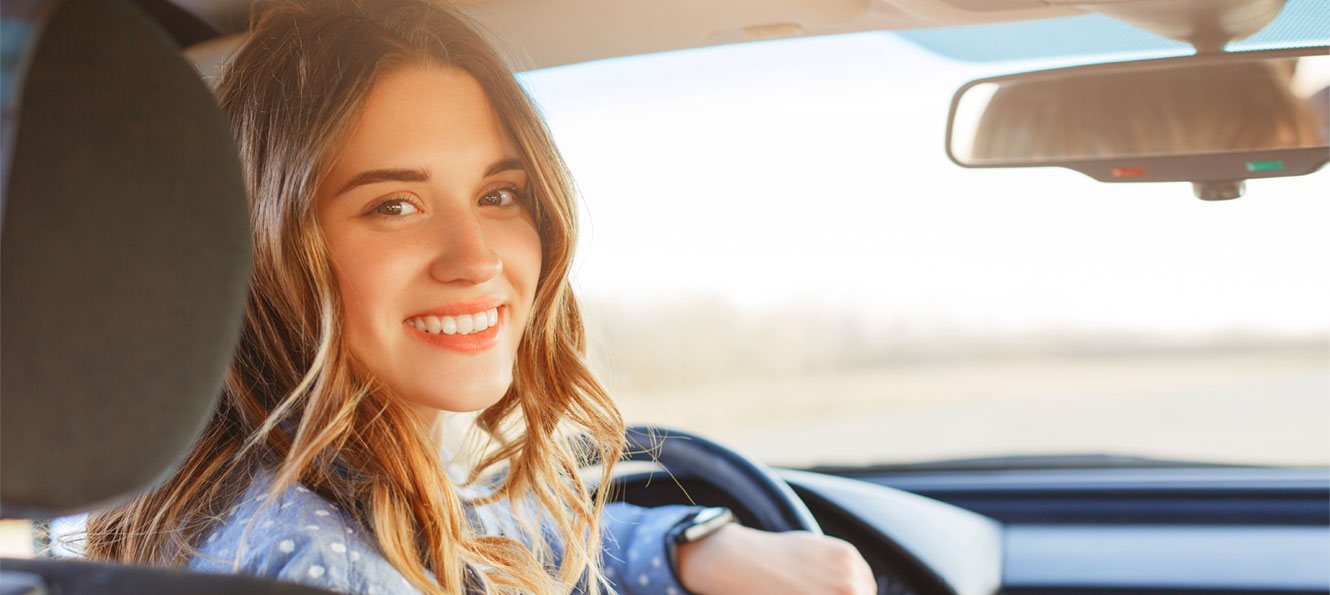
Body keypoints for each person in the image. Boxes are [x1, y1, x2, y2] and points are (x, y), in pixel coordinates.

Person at [78, 1, 877, 594]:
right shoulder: (316, 562)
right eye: (394, 205)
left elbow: (498, 524)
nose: (476, 259)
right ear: (270, 250)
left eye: (500, 195)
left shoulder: (332, 482)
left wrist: (691, 543)